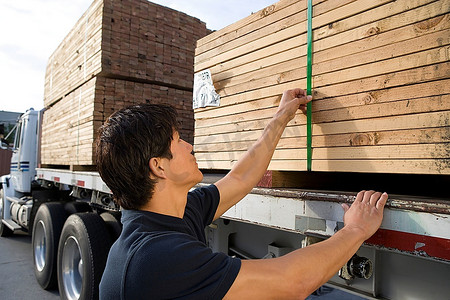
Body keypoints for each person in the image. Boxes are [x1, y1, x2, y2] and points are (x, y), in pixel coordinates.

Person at [97, 88, 388, 299]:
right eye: (178, 140)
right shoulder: (155, 257)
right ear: (158, 166)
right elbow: (292, 283)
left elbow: (239, 178)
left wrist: (280, 120)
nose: (189, 146)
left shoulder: (171, 215)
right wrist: (356, 229)